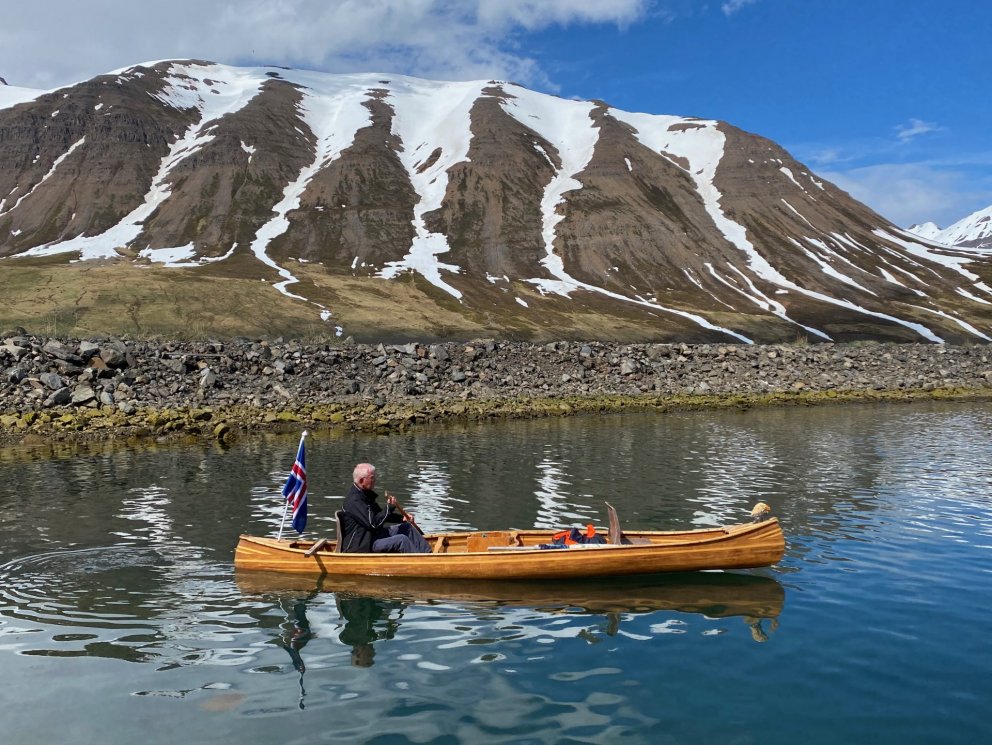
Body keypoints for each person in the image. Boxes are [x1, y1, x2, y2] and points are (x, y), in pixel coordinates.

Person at [340, 463, 431, 553]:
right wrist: (389, 507)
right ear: (361, 480)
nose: (374, 480)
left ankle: (429, 554)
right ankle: (421, 561)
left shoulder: (364, 494)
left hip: (375, 536)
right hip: (363, 544)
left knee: (407, 528)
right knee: (401, 540)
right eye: (372, 478)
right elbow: (373, 524)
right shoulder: (354, 501)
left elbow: (380, 515)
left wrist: (402, 518)